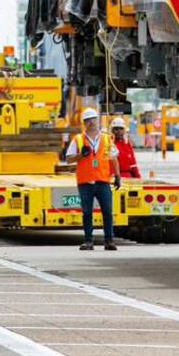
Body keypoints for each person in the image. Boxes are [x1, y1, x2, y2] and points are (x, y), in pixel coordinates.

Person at [64, 107, 121, 251]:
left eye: (93, 119)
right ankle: (88, 241)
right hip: (86, 182)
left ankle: (109, 241)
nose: (91, 122)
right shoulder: (78, 139)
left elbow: (113, 158)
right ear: (84, 123)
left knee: (107, 211)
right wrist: (80, 155)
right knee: (87, 212)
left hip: (102, 181)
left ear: (98, 120)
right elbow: (68, 159)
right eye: (88, 120)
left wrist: (117, 176)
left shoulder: (106, 138)